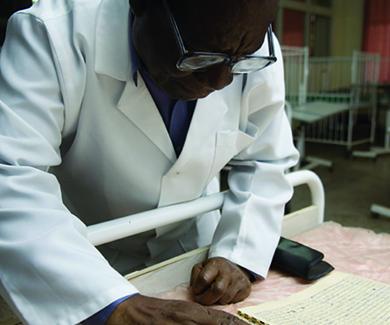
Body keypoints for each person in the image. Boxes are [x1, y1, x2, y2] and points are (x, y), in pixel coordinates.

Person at [0, 0, 299, 324]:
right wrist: (115, 307)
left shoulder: (247, 47)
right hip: (81, 259)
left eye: (238, 60)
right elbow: (10, 176)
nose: (220, 81)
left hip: (195, 251)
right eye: (200, 56)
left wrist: (239, 253)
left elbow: (266, 159)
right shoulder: (54, 33)